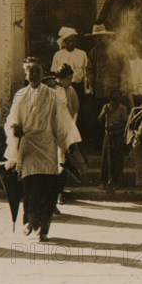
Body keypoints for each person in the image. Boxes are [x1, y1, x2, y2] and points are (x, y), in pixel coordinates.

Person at [3, 57, 81, 242]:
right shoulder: (20, 95)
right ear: (26, 74)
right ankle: (31, 220)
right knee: (29, 187)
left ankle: (43, 228)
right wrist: (15, 129)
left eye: (37, 70)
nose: (34, 74)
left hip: (47, 146)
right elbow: (12, 119)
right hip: (28, 146)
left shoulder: (53, 95)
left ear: (43, 72)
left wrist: (68, 145)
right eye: (30, 71)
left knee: (48, 187)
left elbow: (62, 122)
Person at [85, 24, 131, 148]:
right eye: (96, 38)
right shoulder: (94, 51)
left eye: (101, 37)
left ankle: (119, 144)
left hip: (115, 91)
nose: (99, 40)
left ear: (106, 36)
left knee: (117, 118)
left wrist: (124, 86)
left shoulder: (118, 49)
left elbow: (125, 69)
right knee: (101, 117)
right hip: (99, 92)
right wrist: (91, 82)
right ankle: (101, 144)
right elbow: (89, 69)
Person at [54, 63, 82, 205]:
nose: (71, 81)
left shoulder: (70, 90)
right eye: (68, 78)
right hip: (53, 131)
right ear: (61, 78)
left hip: (65, 130)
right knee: (54, 163)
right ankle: (54, 193)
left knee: (63, 162)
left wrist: (72, 125)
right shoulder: (51, 89)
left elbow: (75, 108)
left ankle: (59, 192)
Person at [98, 90, 128, 193]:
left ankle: (116, 181)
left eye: (115, 102)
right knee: (105, 158)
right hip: (107, 136)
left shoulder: (123, 108)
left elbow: (125, 124)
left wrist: (114, 128)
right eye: (112, 102)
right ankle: (103, 181)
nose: (113, 104)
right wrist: (104, 113)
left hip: (118, 135)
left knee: (117, 158)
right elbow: (99, 120)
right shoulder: (106, 107)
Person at [51, 27, 89, 101]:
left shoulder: (82, 54)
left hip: (78, 88)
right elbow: (54, 73)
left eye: (73, 41)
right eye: (69, 41)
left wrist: (87, 91)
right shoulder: (58, 55)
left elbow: (86, 73)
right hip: (62, 88)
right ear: (64, 42)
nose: (71, 43)